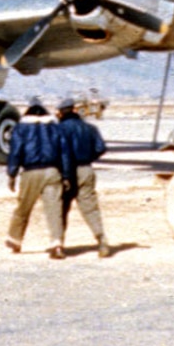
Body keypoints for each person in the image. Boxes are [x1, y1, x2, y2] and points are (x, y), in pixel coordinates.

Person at [4, 102, 66, 257]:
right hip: (52, 171)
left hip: (30, 172)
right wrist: (66, 175)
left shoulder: (20, 129)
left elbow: (15, 152)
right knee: (54, 210)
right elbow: (64, 152)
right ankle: (57, 244)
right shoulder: (55, 128)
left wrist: (12, 174)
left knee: (23, 207)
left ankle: (15, 240)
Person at [52, 96, 112, 258]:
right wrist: (88, 158)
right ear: (74, 110)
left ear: (61, 113)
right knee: (90, 208)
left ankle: (58, 246)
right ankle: (101, 241)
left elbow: (57, 152)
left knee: (60, 209)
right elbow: (101, 148)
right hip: (86, 169)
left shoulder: (59, 130)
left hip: (66, 172)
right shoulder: (90, 128)